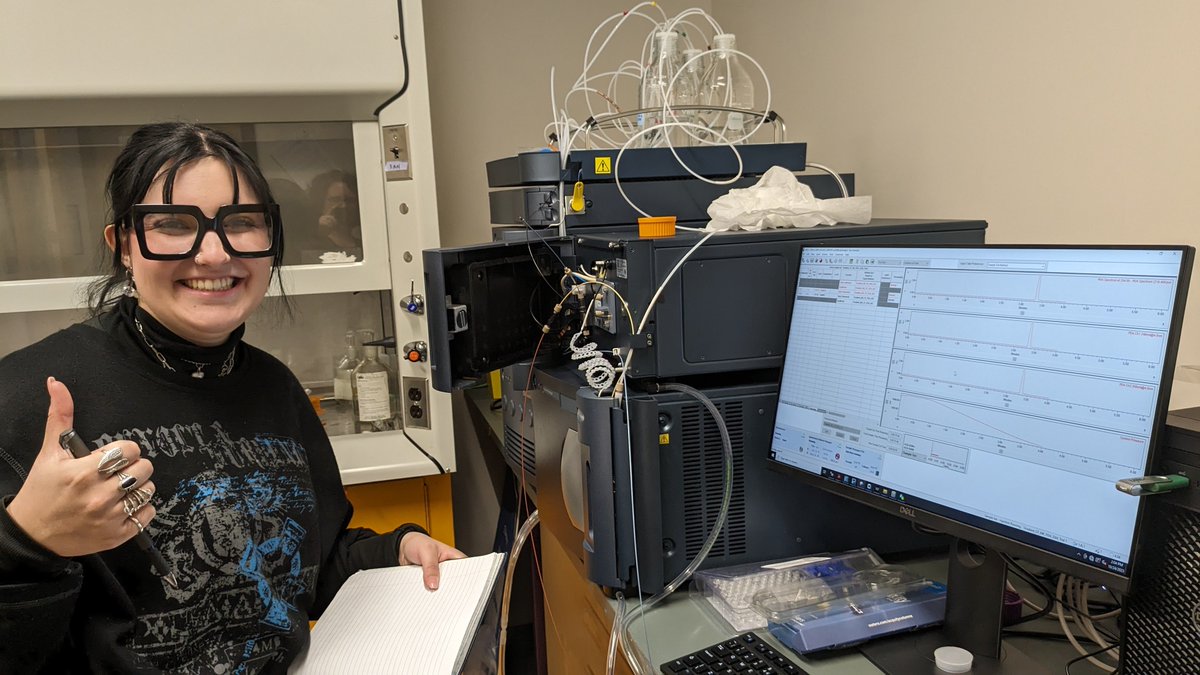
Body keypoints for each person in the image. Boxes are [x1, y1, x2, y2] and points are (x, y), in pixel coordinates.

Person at [0, 121, 463, 673]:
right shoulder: (29, 398)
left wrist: (396, 551)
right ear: (123, 244)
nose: (215, 254)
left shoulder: (275, 388)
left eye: (241, 223)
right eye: (173, 224)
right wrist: (26, 543)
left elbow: (308, 567)